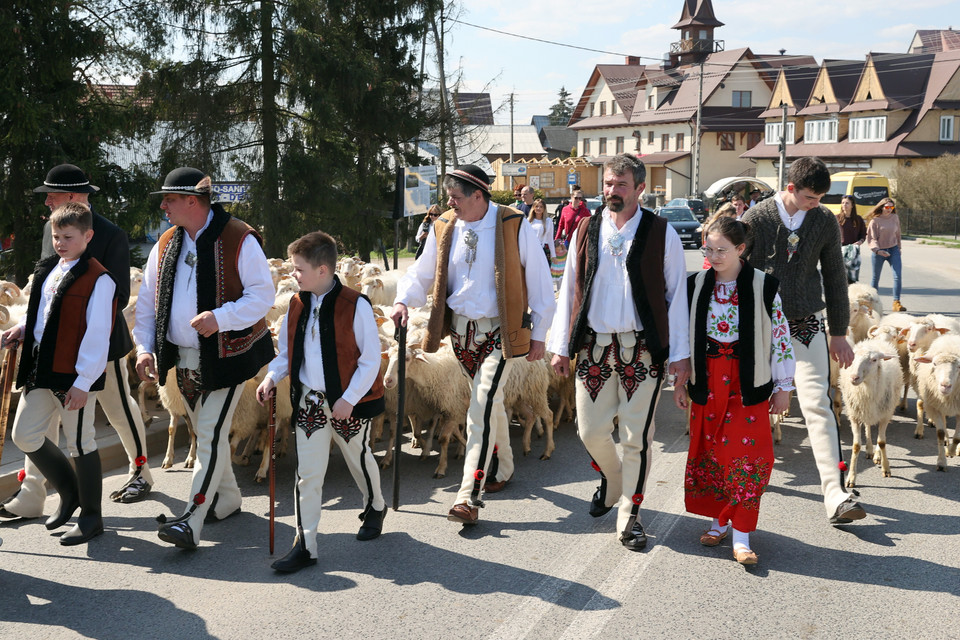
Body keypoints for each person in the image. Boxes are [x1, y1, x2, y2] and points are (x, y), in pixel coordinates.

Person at [392, 164, 556, 525]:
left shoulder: (512, 224)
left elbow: (540, 277)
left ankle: (469, 495)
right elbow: (422, 272)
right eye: (449, 197)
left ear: (478, 195)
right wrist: (403, 300)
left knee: (478, 408)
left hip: (501, 332)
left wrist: (541, 332)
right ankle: (505, 467)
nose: (451, 204)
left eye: (456, 197)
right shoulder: (445, 226)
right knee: (490, 403)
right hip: (460, 336)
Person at [548, 154, 690, 551]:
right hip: (593, 347)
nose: (611, 191)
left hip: (642, 350)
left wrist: (680, 356)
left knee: (635, 438)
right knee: (589, 429)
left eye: (621, 185)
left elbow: (676, 297)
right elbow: (570, 291)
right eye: (608, 183)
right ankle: (612, 480)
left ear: (640, 188)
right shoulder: (585, 229)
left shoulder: (663, 233)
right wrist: (562, 346)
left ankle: (630, 514)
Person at [1, 164, 153, 523]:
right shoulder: (51, 230)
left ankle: (140, 470)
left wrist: (82, 357)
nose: (48, 200)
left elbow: (113, 298)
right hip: (53, 347)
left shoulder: (111, 234)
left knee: (117, 409)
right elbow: (46, 289)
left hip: (99, 346)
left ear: (72, 196)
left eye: (52, 194)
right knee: (38, 425)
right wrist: (29, 326)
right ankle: (33, 493)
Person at [134, 167, 275, 550]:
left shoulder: (239, 238)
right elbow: (148, 303)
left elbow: (263, 296)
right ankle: (227, 498)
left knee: (210, 434)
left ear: (192, 201)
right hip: (183, 359)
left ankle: (191, 519)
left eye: (169, 199)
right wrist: (145, 346)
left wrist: (221, 317)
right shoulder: (165, 243)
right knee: (206, 434)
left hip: (230, 357)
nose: (163, 205)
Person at [741, 156, 864, 526]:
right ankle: (745, 481)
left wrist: (839, 333)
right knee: (754, 405)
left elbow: (835, 278)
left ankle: (836, 495)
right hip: (760, 325)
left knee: (817, 404)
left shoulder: (825, 221)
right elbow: (733, 270)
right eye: (811, 197)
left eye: (823, 197)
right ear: (790, 188)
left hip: (807, 323)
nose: (818, 204)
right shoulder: (755, 219)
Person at [257, 230, 386, 573]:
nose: (293, 274)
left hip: (346, 402)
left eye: (298, 268)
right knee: (307, 475)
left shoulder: (355, 304)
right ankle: (306, 545)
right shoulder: (296, 304)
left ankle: (375, 506)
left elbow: (370, 360)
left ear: (323, 271)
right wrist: (272, 377)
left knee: (358, 458)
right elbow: (287, 353)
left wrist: (349, 399)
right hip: (309, 404)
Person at [675, 217, 795, 565]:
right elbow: (683, 335)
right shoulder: (695, 284)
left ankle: (741, 536)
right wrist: (680, 381)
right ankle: (718, 522)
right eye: (708, 249)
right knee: (712, 453)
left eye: (721, 250)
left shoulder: (763, 286)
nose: (713, 256)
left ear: (741, 249)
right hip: (708, 380)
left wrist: (783, 386)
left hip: (747, 380)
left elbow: (780, 338)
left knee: (746, 457)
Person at [1, 202, 117, 545]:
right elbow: (43, 313)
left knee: (81, 442)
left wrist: (83, 383)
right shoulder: (50, 268)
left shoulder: (100, 279)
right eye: (55, 236)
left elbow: (98, 336)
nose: (60, 243)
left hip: (75, 376)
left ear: (88, 235)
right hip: (41, 367)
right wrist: (22, 329)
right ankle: (70, 493)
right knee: (24, 435)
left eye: (68, 236)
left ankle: (92, 517)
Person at [865, 197, 905, 311]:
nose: (889, 209)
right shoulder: (875, 221)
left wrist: (899, 247)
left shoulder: (895, 218)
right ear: (882, 207)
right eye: (887, 207)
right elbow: (872, 238)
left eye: (891, 207)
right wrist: (877, 250)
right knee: (875, 277)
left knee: (897, 276)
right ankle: (872, 303)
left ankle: (896, 303)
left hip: (893, 249)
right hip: (879, 252)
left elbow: (898, 233)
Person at [837, 195, 866, 283]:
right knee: (840, 277)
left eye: (847, 203)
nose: (844, 205)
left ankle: (851, 295)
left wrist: (859, 242)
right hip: (840, 250)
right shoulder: (836, 218)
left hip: (853, 251)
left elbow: (863, 234)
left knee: (852, 278)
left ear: (852, 205)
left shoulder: (858, 219)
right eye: (843, 203)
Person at [699, 202, 738, 269]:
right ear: (726, 214)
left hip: (710, 258)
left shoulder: (712, 222)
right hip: (716, 260)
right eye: (732, 218)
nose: (732, 221)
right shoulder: (718, 225)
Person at [527, 198, 555, 264]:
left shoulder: (548, 221)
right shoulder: (529, 220)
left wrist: (553, 255)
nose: (538, 208)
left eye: (541, 206)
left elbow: (550, 239)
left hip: (542, 249)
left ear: (544, 208)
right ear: (533, 208)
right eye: (536, 206)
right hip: (530, 250)